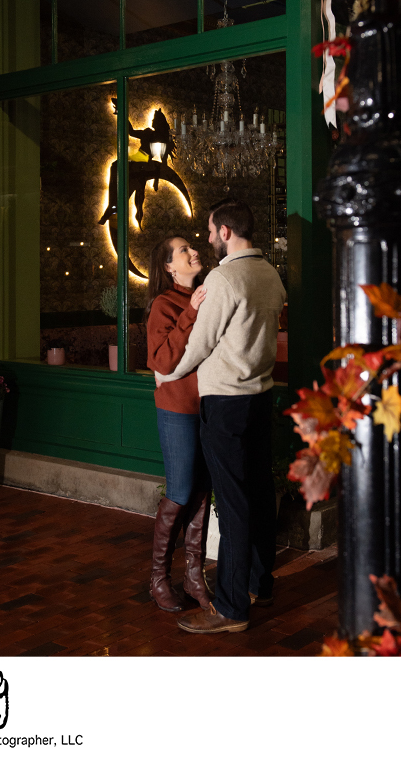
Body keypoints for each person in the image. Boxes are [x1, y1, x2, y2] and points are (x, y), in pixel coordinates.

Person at [156, 199, 286, 634]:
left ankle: (230, 608)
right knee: (260, 493)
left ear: (226, 231)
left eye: (211, 232)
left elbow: (199, 344)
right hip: (260, 397)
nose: (207, 240)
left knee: (232, 505)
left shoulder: (224, 277)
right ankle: (258, 585)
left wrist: (165, 371)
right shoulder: (270, 274)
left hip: (226, 402)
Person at [145, 235, 211, 612]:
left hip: (210, 407)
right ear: (169, 266)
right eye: (183, 251)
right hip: (178, 409)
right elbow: (163, 361)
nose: (192, 253)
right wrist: (192, 312)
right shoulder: (165, 304)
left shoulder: (204, 295)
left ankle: (194, 575)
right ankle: (158, 578)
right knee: (181, 490)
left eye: (191, 247)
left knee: (203, 489)